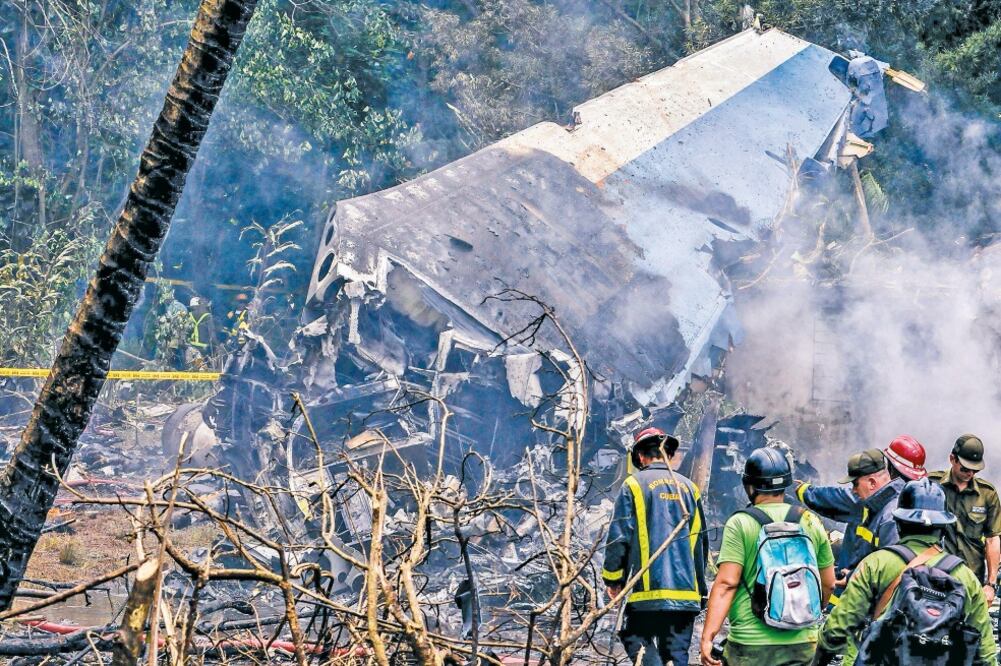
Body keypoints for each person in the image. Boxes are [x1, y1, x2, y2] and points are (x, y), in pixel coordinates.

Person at [815, 478, 998, 665]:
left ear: (899, 523)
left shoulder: (875, 565)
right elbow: (986, 653)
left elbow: (836, 630)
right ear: (943, 528)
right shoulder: (965, 576)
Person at [701, 448, 835, 666]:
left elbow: (726, 584)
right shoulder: (809, 520)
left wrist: (708, 637)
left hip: (751, 645)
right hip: (804, 643)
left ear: (749, 485)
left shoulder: (740, 523)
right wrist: (804, 616)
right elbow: (828, 584)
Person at [602, 427, 708, 666]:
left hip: (647, 594)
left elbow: (619, 537)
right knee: (677, 656)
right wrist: (701, 591)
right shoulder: (690, 489)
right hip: (685, 596)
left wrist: (613, 580)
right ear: (669, 456)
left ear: (640, 456)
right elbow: (699, 544)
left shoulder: (634, 485)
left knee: (632, 635)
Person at [794, 445, 912, 611]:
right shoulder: (870, 502)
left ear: (872, 482)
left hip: (867, 610)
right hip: (852, 602)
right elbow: (834, 498)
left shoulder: (891, 518)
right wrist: (803, 491)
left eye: (855, 484)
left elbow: (891, 575)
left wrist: (853, 576)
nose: (853, 490)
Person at [928, 434, 1001, 604]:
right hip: (934, 580)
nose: (970, 473)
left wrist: (990, 584)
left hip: (971, 581)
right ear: (952, 459)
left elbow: (992, 540)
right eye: (965, 469)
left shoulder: (987, 494)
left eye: (975, 470)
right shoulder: (932, 485)